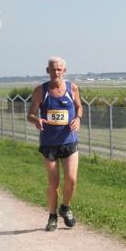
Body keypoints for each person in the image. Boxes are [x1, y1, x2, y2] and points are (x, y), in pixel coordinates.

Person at [27, 56, 83, 232]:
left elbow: (79, 107)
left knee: (72, 180)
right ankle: (52, 216)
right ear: (47, 71)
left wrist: (78, 118)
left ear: (64, 71)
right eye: (52, 69)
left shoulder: (72, 88)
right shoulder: (40, 90)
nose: (55, 72)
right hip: (49, 143)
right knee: (54, 183)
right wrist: (36, 120)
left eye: (59, 69)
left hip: (69, 141)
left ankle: (65, 208)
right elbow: (30, 114)